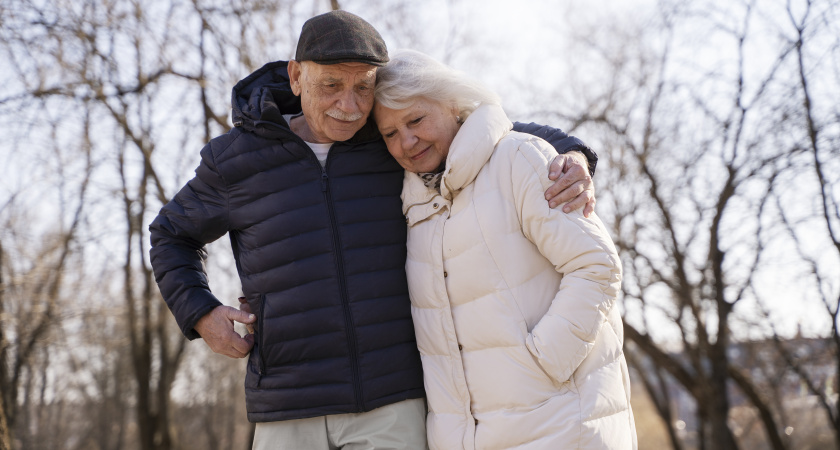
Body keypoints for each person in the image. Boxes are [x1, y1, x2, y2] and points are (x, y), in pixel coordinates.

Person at [149, 10, 597, 450]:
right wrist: (201, 313)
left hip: (394, 402)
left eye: (363, 88)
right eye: (331, 86)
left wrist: (572, 156)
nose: (350, 107)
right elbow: (171, 235)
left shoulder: (393, 140)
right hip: (288, 401)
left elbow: (487, 128)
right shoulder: (235, 160)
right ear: (296, 76)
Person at [372, 49, 637, 449]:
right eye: (390, 133)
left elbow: (596, 265)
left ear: (454, 106)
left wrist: (544, 363)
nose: (407, 141)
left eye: (416, 120)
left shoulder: (519, 158)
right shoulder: (415, 207)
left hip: (562, 427)